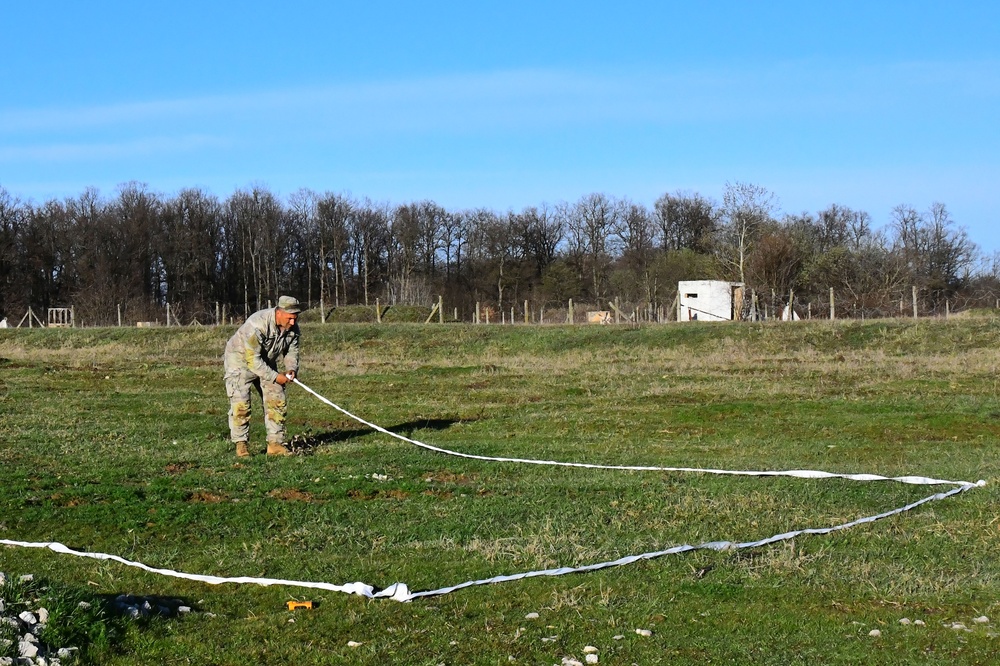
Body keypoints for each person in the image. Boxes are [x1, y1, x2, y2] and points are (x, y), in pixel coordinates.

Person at [223, 295, 303, 457]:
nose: (293, 322)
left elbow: (291, 351)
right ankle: (241, 445)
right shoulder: (256, 325)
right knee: (241, 405)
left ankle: (275, 444)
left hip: (265, 361)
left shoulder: (292, 328)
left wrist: (291, 369)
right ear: (279, 313)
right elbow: (252, 360)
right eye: (290, 318)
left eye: (295, 318)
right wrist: (275, 376)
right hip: (240, 362)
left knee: (277, 397)